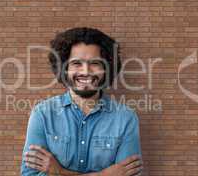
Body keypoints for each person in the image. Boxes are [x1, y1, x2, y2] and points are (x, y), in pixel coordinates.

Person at [21, 27, 143, 175]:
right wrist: (104, 175)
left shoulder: (125, 118)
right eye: (76, 63)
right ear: (64, 68)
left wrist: (59, 172)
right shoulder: (43, 114)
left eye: (95, 63)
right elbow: (30, 174)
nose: (85, 71)